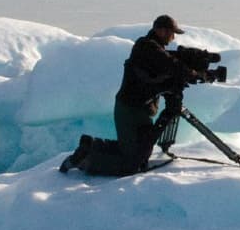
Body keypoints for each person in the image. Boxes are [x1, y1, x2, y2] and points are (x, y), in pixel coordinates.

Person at [60, 15, 197, 175]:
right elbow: (168, 64)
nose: (173, 37)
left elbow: (161, 72)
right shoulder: (146, 47)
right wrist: (191, 73)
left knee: (138, 152)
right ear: (161, 31)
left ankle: (90, 146)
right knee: (131, 163)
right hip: (129, 110)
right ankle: (86, 159)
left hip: (140, 108)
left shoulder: (154, 49)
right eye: (171, 33)